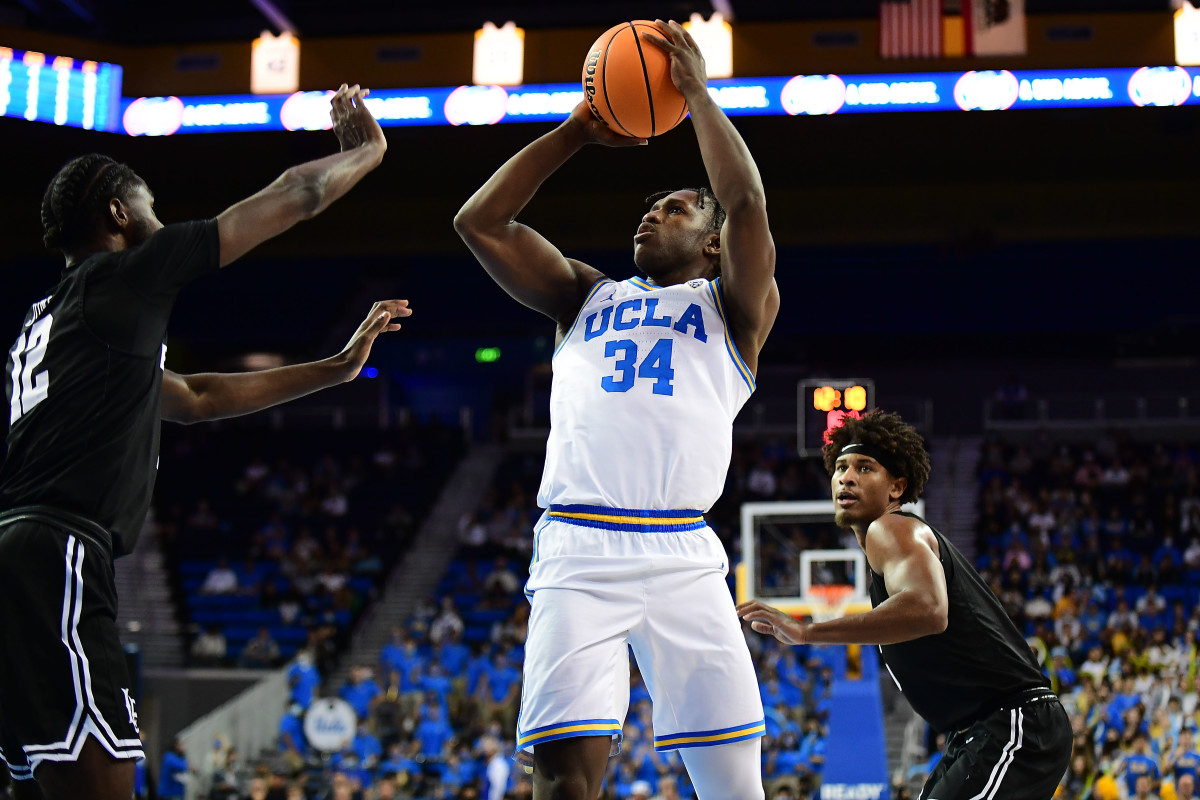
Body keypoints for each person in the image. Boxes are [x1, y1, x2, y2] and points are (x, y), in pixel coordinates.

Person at [0, 84, 397, 800]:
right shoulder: (121, 278)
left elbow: (196, 398)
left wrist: (336, 369)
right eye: (149, 203)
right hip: (59, 552)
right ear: (118, 213)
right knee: (105, 783)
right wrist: (369, 151)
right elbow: (297, 193)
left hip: (21, 548)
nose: (160, 218)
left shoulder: (52, 321)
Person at [454, 19, 777, 800]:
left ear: (712, 245)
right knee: (565, 781)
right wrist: (574, 132)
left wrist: (696, 94)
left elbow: (745, 201)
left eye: (675, 208)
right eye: (649, 205)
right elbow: (479, 222)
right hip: (579, 547)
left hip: (682, 551)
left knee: (734, 787)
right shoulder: (583, 294)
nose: (650, 214)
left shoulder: (734, 307)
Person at [738, 410, 1073, 800]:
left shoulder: (890, 528)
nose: (847, 477)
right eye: (841, 467)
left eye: (865, 468)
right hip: (984, 730)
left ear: (896, 488)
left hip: (1014, 723)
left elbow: (929, 609)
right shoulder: (888, 550)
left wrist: (808, 631)